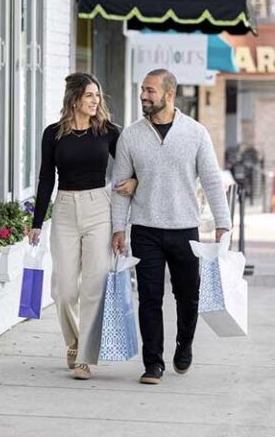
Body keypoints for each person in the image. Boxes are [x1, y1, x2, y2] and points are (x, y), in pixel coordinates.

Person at [111, 69, 231, 385]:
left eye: (150, 91)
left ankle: (184, 345)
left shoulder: (195, 133)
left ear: (169, 94)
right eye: (142, 90)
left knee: (187, 295)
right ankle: (153, 363)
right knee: (149, 297)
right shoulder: (131, 136)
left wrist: (223, 223)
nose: (143, 96)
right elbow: (121, 185)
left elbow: (211, 181)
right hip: (145, 229)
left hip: (185, 228)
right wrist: (118, 228)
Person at [30, 72, 136, 380]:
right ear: (75, 98)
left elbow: (131, 164)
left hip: (98, 208)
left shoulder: (108, 132)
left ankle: (85, 357)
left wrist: (135, 180)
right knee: (63, 289)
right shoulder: (53, 134)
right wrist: (37, 222)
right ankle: (73, 342)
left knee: (93, 286)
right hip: (63, 209)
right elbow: (46, 177)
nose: (95, 101)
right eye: (90, 95)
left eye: (98, 96)